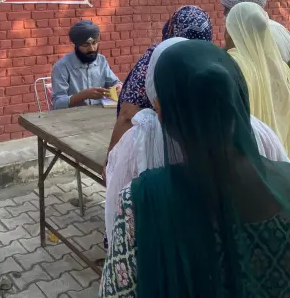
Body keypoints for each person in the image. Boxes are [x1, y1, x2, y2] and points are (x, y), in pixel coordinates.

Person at [100, 41, 290, 298]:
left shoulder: (139, 201)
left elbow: (116, 292)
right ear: (239, 101)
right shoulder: (285, 178)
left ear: (162, 113)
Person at [105, 5, 212, 168]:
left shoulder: (156, 58)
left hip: (147, 151)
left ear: (173, 28)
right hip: (194, 155)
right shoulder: (210, 60)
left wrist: (111, 160)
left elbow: (127, 115)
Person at [225, 2, 290, 152]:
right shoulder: (282, 68)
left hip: (249, 154)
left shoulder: (232, 63)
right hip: (281, 154)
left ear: (233, 31)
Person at [51, 20, 122, 110]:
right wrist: (82, 95)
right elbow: (57, 103)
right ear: (76, 46)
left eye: (94, 43)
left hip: (101, 113)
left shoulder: (101, 60)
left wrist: (119, 86)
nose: (91, 49)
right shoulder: (62, 66)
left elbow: (115, 82)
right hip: (73, 115)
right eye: (86, 45)